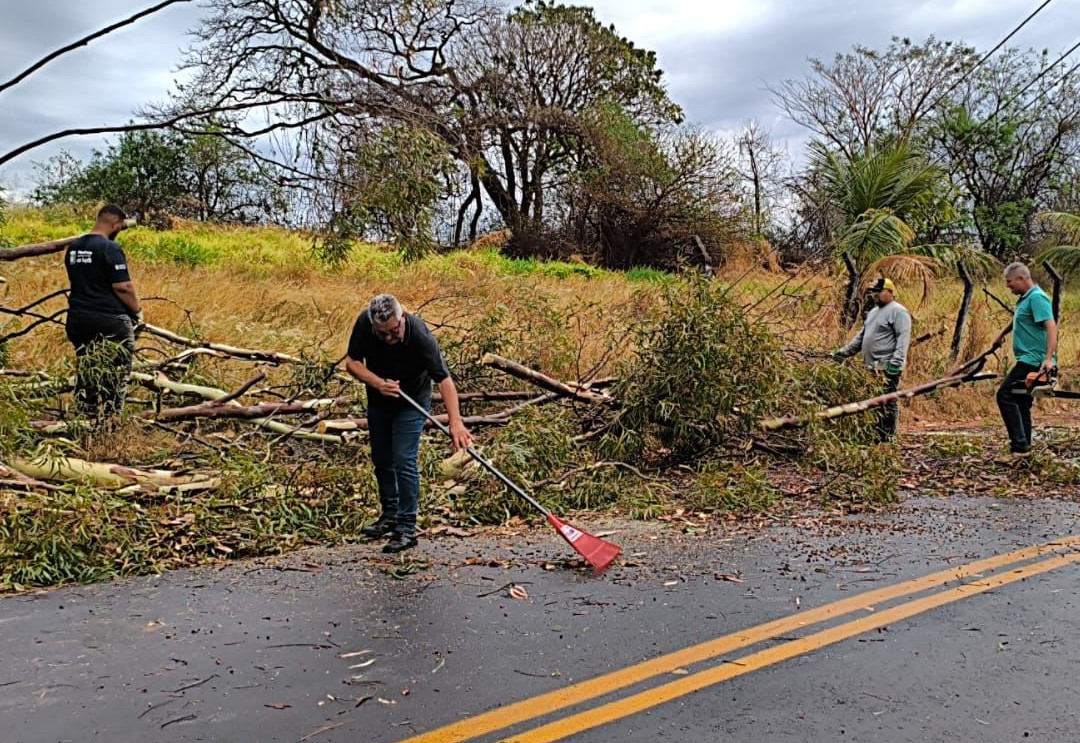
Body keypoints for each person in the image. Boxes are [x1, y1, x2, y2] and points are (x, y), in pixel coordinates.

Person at [345, 294, 472, 553]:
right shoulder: (364, 325)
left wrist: (455, 422)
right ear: (374, 327)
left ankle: (406, 527)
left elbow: (444, 380)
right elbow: (352, 362)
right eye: (383, 334)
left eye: (394, 331)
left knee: (404, 459)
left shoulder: (420, 336)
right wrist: (378, 383)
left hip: (411, 403)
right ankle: (390, 515)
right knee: (382, 459)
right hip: (380, 401)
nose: (390, 338)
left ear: (402, 318)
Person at [64, 204, 142, 422]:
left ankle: (84, 420)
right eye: (121, 225)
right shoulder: (110, 248)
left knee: (87, 371)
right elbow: (123, 287)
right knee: (116, 375)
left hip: (78, 319)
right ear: (116, 223)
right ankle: (110, 422)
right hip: (109, 320)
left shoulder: (74, 247)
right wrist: (137, 311)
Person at [832, 277, 912, 442]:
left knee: (888, 400)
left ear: (890, 292)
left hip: (887, 366)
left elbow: (903, 340)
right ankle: (875, 435)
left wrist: (895, 364)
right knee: (873, 401)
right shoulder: (874, 312)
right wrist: (843, 353)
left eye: (879, 292)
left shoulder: (899, 312)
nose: (875, 295)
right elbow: (861, 338)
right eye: (874, 292)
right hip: (870, 366)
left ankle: (888, 436)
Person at [992, 263, 1058, 457]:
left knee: (1005, 395)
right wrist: (1001, 334)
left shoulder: (1037, 298)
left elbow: (1051, 326)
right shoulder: (1024, 299)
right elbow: (1018, 319)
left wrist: (1048, 359)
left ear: (1022, 278)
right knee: (1020, 401)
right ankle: (1024, 448)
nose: (1008, 286)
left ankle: (1019, 445)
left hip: (1033, 359)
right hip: (1027, 357)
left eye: (1010, 282)